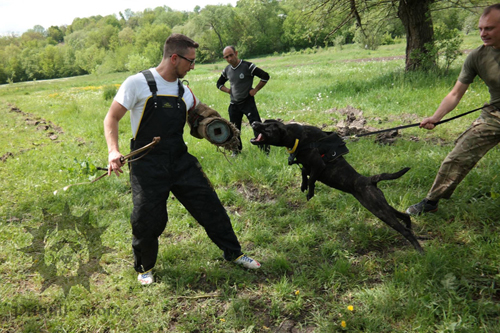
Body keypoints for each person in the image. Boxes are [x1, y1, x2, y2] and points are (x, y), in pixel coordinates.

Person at [103, 34, 260, 285]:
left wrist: (213, 125)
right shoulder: (137, 83)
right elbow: (111, 118)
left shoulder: (183, 90)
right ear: (174, 58)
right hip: (147, 163)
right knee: (147, 217)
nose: (193, 66)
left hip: (179, 159)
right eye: (190, 61)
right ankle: (145, 267)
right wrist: (113, 151)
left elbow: (199, 114)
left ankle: (235, 253)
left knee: (210, 205)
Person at [406, 4, 500, 216]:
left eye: (490, 28)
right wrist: (436, 117)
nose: (483, 34)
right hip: (494, 115)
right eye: (480, 29)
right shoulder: (477, 57)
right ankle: (431, 202)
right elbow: (455, 93)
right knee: (458, 156)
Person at [217, 45, 270, 156]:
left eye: (231, 55)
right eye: (226, 57)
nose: (229, 59)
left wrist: (255, 89)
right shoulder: (227, 70)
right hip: (234, 104)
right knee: (234, 129)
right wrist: (228, 90)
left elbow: (265, 76)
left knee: (256, 125)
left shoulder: (248, 66)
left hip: (247, 102)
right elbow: (219, 84)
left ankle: (264, 149)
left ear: (236, 53)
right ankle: (236, 150)